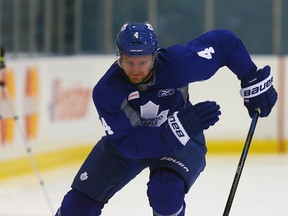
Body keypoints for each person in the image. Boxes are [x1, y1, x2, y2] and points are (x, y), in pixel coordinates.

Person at [55, 22, 277, 216]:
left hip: (181, 139)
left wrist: (251, 77)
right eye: (129, 61)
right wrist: (179, 128)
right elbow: (131, 144)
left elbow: (226, 43)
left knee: (165, 192)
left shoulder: (179, 64)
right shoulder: (107, 91)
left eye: (142, 62)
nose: (136, 70)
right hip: (137, 140)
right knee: (77, 206)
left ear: (154, 56)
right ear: (119, 57)